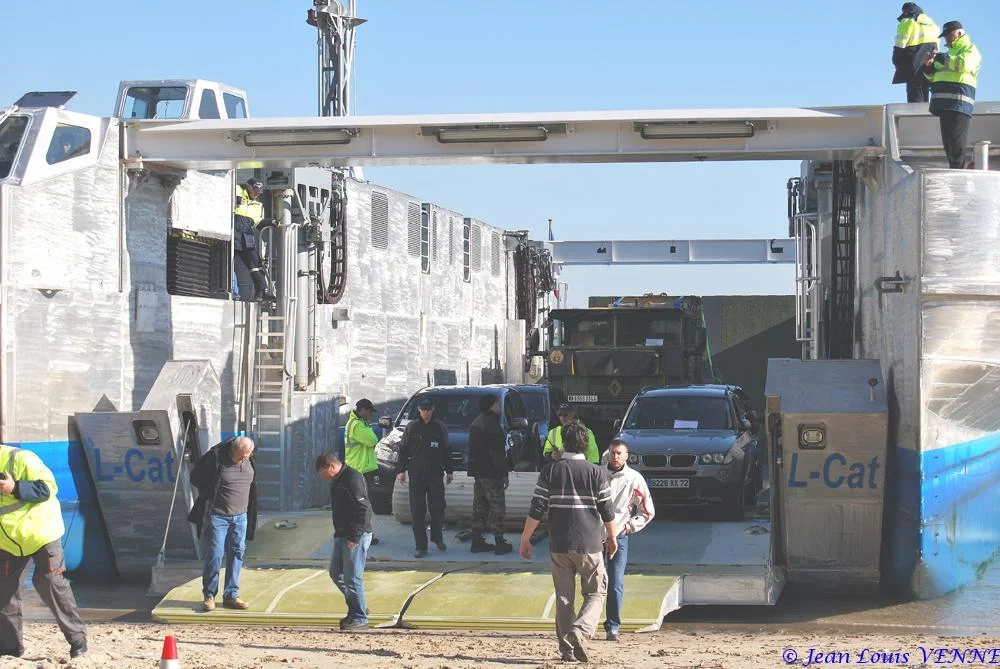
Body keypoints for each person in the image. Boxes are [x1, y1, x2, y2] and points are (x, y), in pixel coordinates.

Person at [519, 423, 617, 663]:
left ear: (563, 443)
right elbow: (607, 511)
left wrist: (525, 537)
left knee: (564, 599)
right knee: (596, 591)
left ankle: (567, 651)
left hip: (559, 544)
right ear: (586, 444)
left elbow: (537, 508)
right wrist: (613, 537)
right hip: (589, 544)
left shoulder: (550, 471)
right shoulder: (596, 472)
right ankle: (581, 631)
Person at [0, 444, 87, 659]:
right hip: (8, 542)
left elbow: (47, 488)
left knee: (49, 582)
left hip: (41, 533)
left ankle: (78, 640)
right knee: (4, 592)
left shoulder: (20, 458)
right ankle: (12, 649)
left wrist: (15, 487)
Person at [187, 436, 259, 612]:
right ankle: (209, 595)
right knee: (215, 554)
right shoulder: (216, 458)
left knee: (237, 553)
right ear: (232, 450)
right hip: (218, 517)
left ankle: (231, 595)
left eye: (248, 456)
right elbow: (196, 478)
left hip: (241, 517)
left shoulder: (248, 458)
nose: (245, 459)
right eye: (242, 456)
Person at [602, 439, 655, 641]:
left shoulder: (635, 479)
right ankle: (585, 624)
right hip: (596, 536)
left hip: (620, 536)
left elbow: (647, 511)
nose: (615, 456)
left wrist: (627, 526)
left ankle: (612, 626)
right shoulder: (597, 474)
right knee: (594, 583)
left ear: (627, 456)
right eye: (612, 452)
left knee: (615, 581)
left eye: (619, 453)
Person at [316, 453, 373, 631]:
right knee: (336, 573)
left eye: (323, 473)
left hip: (354, 536)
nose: (323, 477)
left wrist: (355, 537)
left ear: (331, 467)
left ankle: (360, 617)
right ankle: (358, 607)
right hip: (341, 534)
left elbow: (364, 509)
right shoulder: (338, 479)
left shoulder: (352, 479)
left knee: (352, 577)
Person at [396, 396, 453, 557]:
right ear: (419, 410)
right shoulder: (412, 427)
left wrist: (449, 471)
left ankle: (437, 537)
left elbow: (446, 450)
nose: (426, 413)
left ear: (432, 410)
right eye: (423, 410)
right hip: (417, 474)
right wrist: (401, 470)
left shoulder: (439, 427)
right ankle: (421, 546)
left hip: (435, 474)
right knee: (417, 511)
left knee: (438, 508)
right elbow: (403, 450)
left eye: (428, 410)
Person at [924, 20, 982, 169]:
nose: (946, 39)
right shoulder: (947, 55)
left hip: (959, 103)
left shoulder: (970, 50)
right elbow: (932, 77)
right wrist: (929, 66)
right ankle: (955, 169)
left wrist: (941, 58)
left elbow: (963, 65)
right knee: (949, 144)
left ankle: (958, 173)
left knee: (956, 144)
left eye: (948, 36)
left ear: (958, 34)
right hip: (944, 104)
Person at [467, 394, 513, 555]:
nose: (499, 407)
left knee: (479, 506)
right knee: (496, 506)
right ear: (491, 406)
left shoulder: (477, 422)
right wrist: (503, 473)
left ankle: (477, 540)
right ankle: (500, 542)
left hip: (479, 473)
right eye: (497, 404)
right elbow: (496, 452)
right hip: (491, 473)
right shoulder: (491, 424)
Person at [233, 177, 276, 307]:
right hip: (233, 231)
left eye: (259, 191)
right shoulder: (237, 190)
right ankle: (234, 293)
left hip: (246, 236)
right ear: (249, 187)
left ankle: (261, 292)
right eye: (255, 190)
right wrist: (237, 200)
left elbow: (257, 222)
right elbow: (224, 199)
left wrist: (271, 222)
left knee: (255, 264)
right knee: (228, 263)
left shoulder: (258, 205)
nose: (257, 194)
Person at [345, 398, 381, 545]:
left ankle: (366, 533)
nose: (371, 415)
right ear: (363, 410)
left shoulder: (360, 424)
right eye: (370, 411)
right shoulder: (357, 425)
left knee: (362, 504)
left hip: (359, 469)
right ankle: (362, 533)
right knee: (361, 505)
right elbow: (373, 440)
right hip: (358, 470)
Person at [892, 3, 940, 103]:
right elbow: (936, 49)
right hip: (930, 67)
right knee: (924, 97)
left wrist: (896, 62)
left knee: (915, 100)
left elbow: (899, 46)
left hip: (913, 66)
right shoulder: (934, 26)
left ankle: (916, 118)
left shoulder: (908, 22)